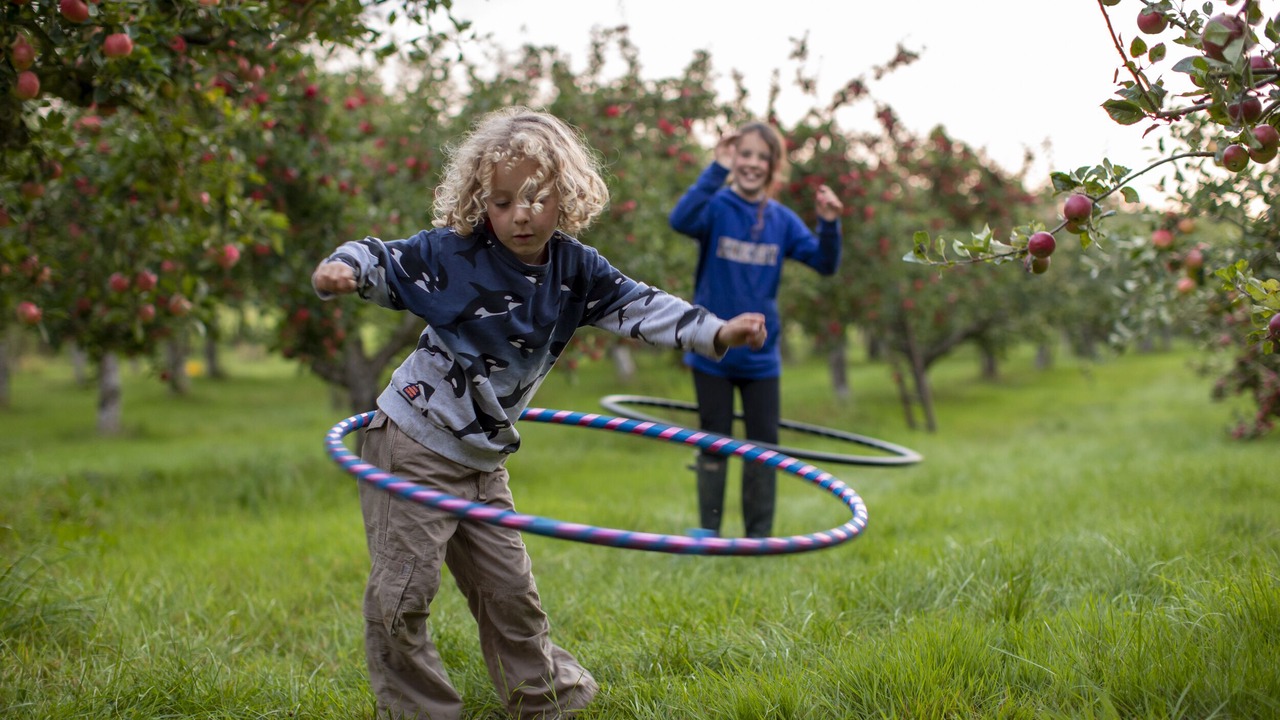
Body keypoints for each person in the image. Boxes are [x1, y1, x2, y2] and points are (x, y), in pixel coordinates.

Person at [311, 106, 767, 720]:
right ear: (480, 202)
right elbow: (381, 256)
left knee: (510, 594)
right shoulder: (453, 256)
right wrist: (344, 271)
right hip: (413, 445)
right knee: (404, 595)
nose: (520, 214)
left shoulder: (577, 273)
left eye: (537, 196)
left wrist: (719, 331)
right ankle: (422, 711)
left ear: (567, 194)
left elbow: (648, 308)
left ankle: (547, 701)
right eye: (501, 202)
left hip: (482, 460)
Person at [669, 122, 843, 539]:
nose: (751, 164)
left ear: (772, 167)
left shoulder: (781, 220)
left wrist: (830, 223)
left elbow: (825, 263)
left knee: (765, 448)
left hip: (762, 358)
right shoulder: (716, 206)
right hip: (711, 351)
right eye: (743, 154)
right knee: (714, 443)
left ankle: (758, 540)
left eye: (761, 158)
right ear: (734, 158)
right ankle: (709, 532)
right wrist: (715, 168)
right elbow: (679, 219)